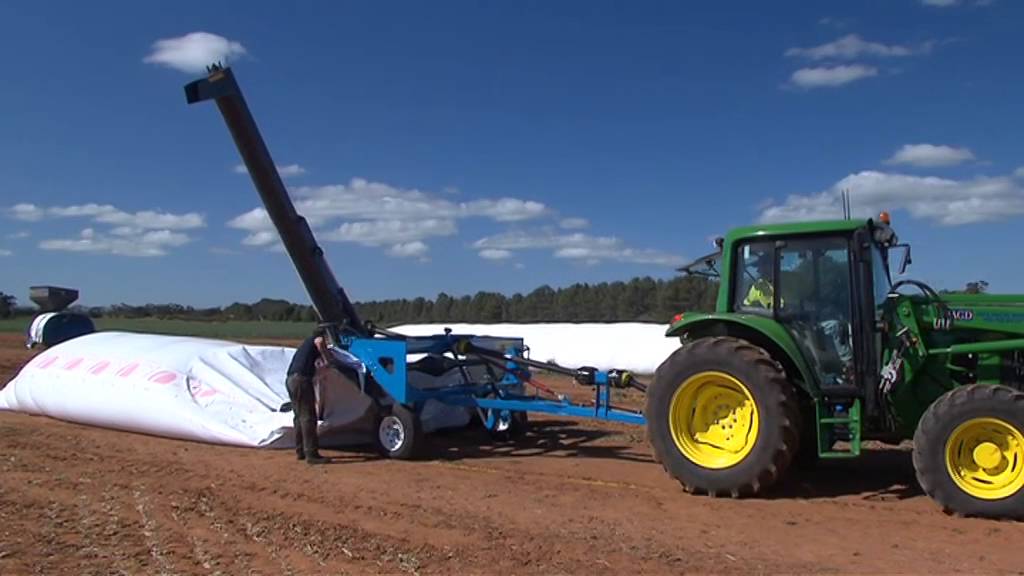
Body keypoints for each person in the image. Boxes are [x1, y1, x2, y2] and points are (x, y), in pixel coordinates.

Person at [286, 327, 329, 465]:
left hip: (291, 380)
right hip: (301, 380)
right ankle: (311, 454)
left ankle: (300, 451)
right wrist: (328, 358)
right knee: (308, 417)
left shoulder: (305, 345)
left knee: (299, 417)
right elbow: (320, 342)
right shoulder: (316, 341)